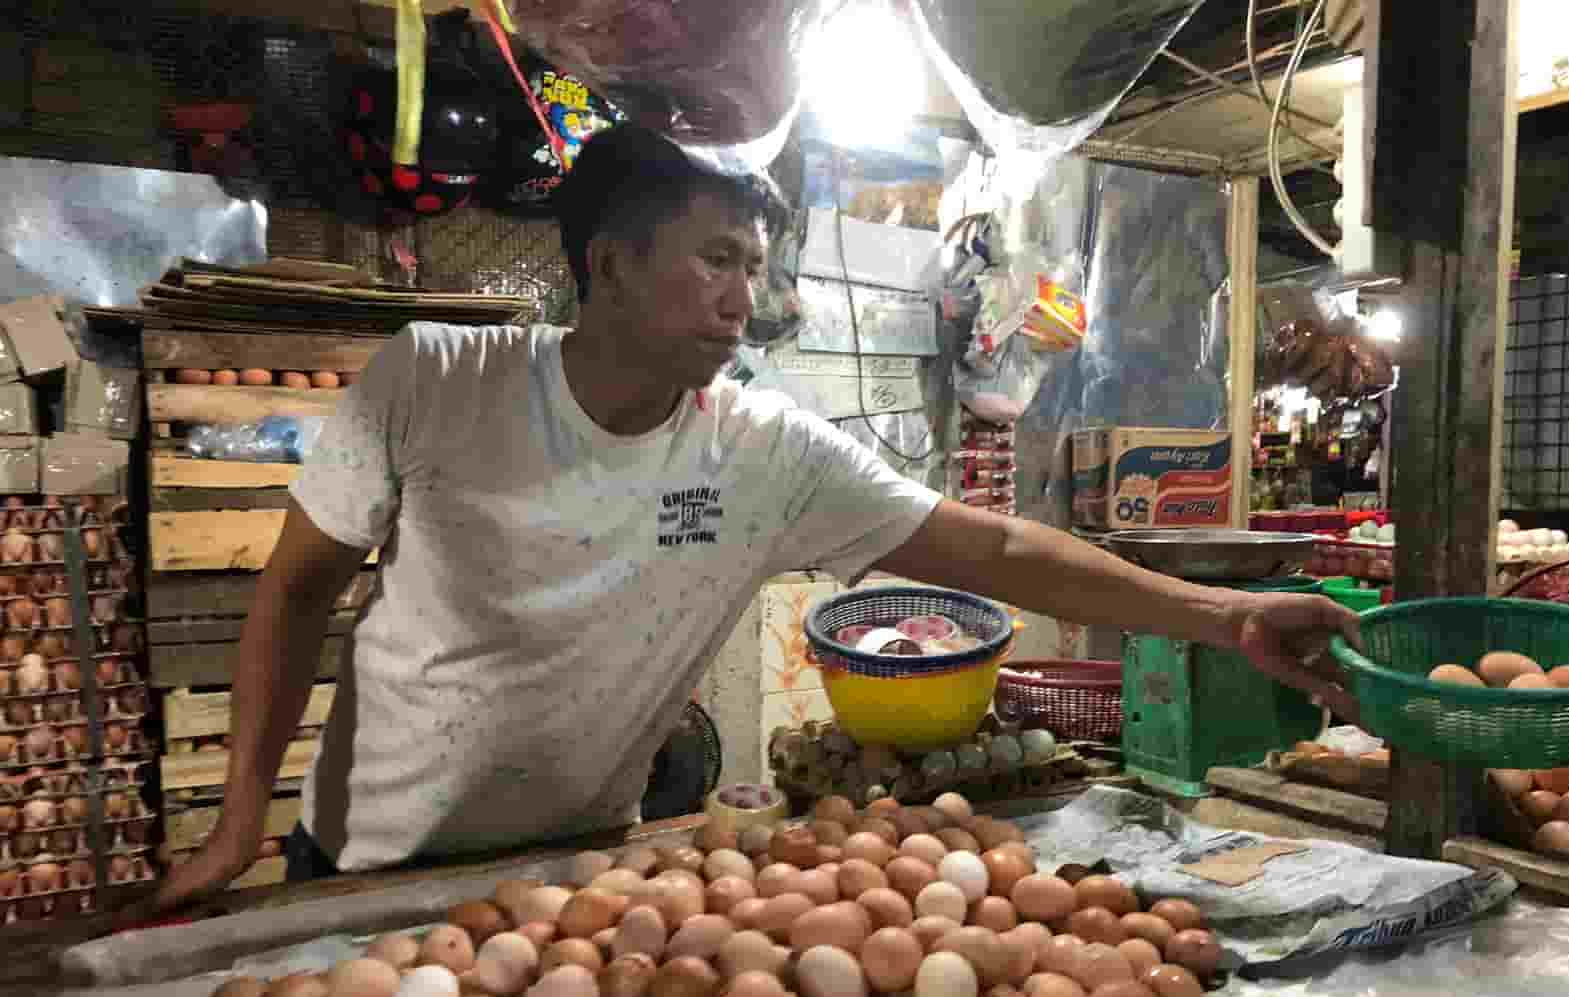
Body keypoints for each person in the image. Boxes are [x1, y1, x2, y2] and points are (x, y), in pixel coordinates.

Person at [146, 126, 1358, 913]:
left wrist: (1225, 613)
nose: (745, 300)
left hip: (572, 876)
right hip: (361, 867)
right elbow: (295, 588)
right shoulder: (435, 380)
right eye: (717, 260)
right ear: (611, 264)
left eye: (757, 267)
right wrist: (234, 822)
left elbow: (993, 549)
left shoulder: (758, 446)